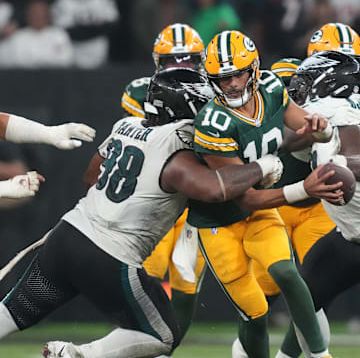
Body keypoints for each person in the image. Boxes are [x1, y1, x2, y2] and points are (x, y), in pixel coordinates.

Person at [0, 68, 297, 358]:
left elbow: (91, 177)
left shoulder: (125, 125)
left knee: (14, 311)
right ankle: (77, 354)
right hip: (110, 254)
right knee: (163, 334)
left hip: (66, 237)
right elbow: (213, 189)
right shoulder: (179, 143)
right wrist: (263, 165)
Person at [187, 30, 338, 358]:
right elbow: (244, 197)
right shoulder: (212, 121)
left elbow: (303, 123)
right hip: (220, 222)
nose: (232, 84)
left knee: (286, 271)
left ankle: (320, 355)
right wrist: (303, 189)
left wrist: (322, 129)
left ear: (253, 68)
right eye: (223, 78)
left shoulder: (271, 88)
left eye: (239, 73)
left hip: (260, 210)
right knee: (255, 314)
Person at [120, 23, 207, 349]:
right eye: (173, 62)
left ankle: (163, 350)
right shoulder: (140, 92)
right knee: (145, 278)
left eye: (188, 61)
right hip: (154, 197)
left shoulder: (215, 95)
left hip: (195, 200)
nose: (181, 69)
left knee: (186, 285)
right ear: (158, 62)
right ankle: (135, 347)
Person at [274, 51, 360, 358]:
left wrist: (336, 163)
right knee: (303, 302)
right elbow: (290, 139)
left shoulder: (335, 107)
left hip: (352, 233)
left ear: (329, 82)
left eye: (308, 80)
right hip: (349, 236)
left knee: (303, 301)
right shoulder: (334, 110)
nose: (302, 88)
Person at [0, 0, 73, 68]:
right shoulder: (18, 37)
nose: (38, 17)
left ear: (47, 15)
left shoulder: (59, 35)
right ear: (28, 15)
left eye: (41, 13)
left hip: (54, 77)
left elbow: (65, 59)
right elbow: (11, 62)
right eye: (34, 13)